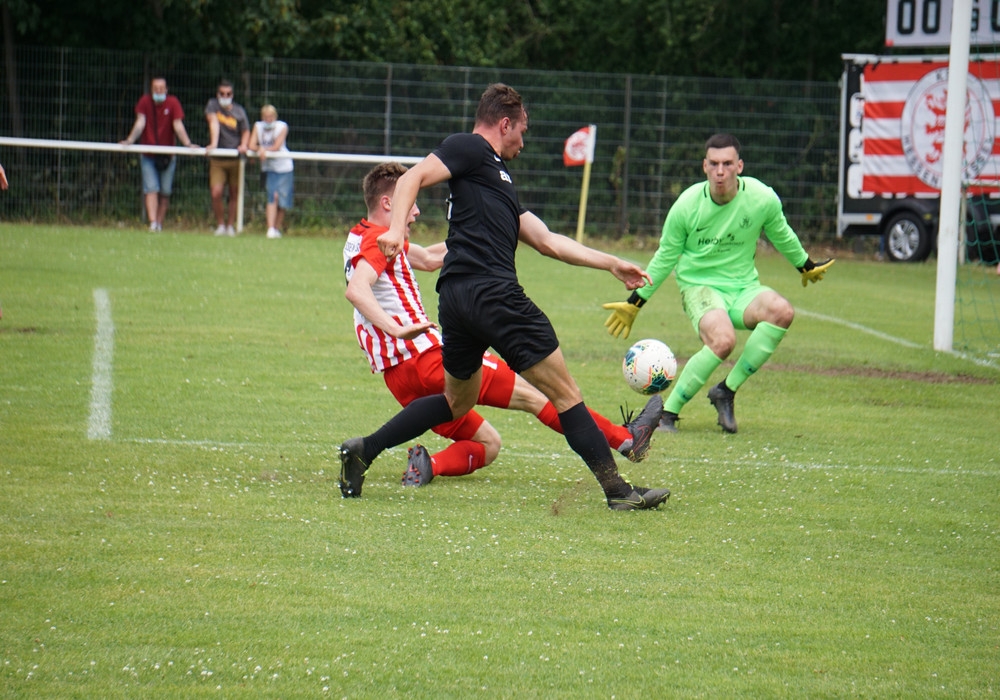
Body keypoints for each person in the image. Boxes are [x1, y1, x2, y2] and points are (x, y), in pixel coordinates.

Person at [338, 83, 670, 511]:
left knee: (456, 400)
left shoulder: (496, 184)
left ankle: (365, 449)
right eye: (522, 132)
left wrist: (610, 263)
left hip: (456, 301)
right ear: (505, 123)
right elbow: (412, 178)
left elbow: (548, 241)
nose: (523, 143)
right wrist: (397, 228)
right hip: (495, 295)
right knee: (565, 394)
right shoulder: (471, 148)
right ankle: (619, 491)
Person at [603, 133, 834, 434]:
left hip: (743, 289)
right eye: (714, 164)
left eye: (727, 163)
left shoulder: (762, 198)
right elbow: (665, 258)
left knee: (782, 311)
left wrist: (805, 265)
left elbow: (782, 234)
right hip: (700, 288)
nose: (720, 171)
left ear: (740, 166)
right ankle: (667, 414)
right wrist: (636, 301)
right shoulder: (687, 205)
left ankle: (725, 390)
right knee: (724, 341)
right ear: (705, 166)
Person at [119, 76, 198, 232]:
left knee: (165, 192)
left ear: (166, 90)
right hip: (148, 154)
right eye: (156, 89)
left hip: (168, 155)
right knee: (151, 189)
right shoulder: (144, 102)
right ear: (151, 90)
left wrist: (188, 144)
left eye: (161, 89)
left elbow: (178, 125)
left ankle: (159, 224)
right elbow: (140, 123)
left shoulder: (173, 103)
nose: (159, 91)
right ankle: (153, 223)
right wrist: (129, 140)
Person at [205, 79, 250, 236]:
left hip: (235, 158)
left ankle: (230, 226)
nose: (225, 97)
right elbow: (213, 123)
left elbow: (245, 131)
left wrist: (244, 145)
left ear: (233, 95)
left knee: (234, 193)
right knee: (216, 193)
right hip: (218, 159)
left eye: (228, 94)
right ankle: (220, 225)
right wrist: (213, 144)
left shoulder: (239, 111)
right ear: (217, 94)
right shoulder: (212, 106)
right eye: (222, 94)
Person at [248, 104, 293, 239]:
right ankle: (270, 228)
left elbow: (276, 146)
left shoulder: (282, 126)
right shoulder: (258, 126)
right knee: (272, 196)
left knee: (283, 201)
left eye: (271, 117)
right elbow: (251, 145)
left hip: (284, 167)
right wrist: (259, 149)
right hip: (269, 168)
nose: (268, 119)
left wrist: (263, 150)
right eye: (266, 117)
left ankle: (276, 228)